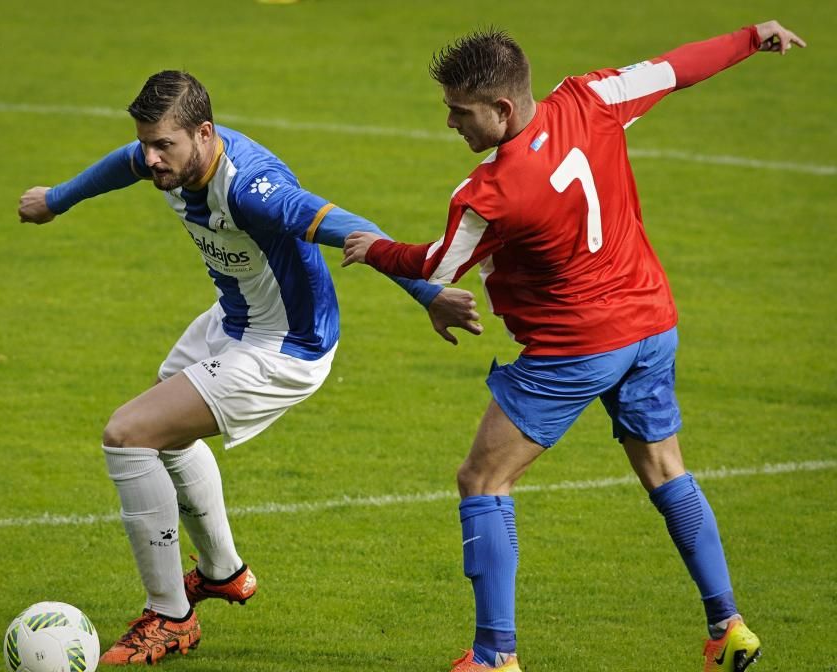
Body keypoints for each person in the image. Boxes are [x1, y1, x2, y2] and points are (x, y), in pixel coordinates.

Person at [342, 20, 805, 672]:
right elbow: (676, 68)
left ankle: (493, 656)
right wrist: (752, 35)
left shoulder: (492, 193)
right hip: (650, 323)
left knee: (483, 479)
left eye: (458, 110)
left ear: (501, 110)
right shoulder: (592, 99)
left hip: (575, 347)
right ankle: (728, 625)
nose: (449, 122)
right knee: (667, 470)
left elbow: (441, 266)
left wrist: (374, 250)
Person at [17, 70, 481, 665]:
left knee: (128, 435)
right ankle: (222, 572)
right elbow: (123, 162)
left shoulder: (254, 189)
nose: (152, 159)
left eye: (165, 147)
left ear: (204, 133)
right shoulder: (172, 156)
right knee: (165, 439)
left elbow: (356, 231)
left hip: (285, 346)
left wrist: (430, 295)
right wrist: (57, 200)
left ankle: (170, 616)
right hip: (234, 318)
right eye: (148, 144)